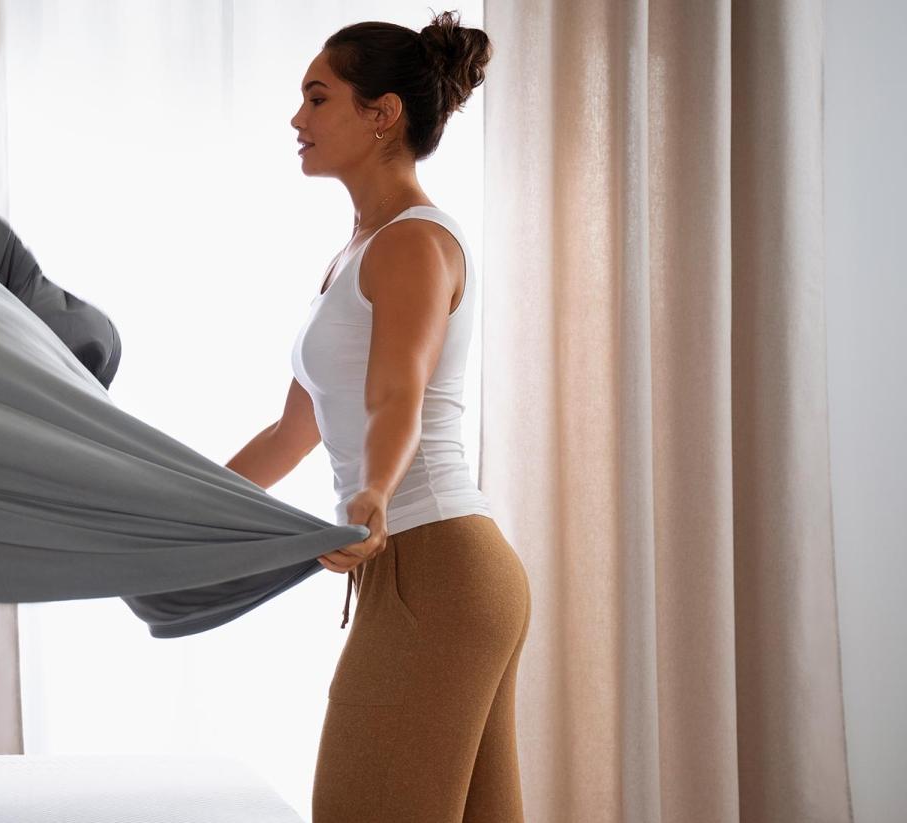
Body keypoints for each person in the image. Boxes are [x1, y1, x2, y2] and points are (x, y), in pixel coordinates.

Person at [221, 10, 531, 821]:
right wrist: (181, 504)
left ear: (381, 112)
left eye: (318, 98)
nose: (297, 119)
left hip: (434, 560)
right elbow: (294, 432)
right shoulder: (355, 254)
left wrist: (374, 495)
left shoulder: (410, 245)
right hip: (436, 569)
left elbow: (400, 394)